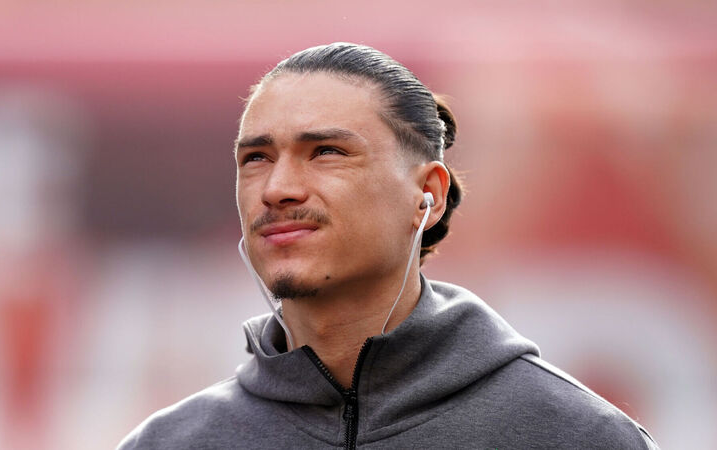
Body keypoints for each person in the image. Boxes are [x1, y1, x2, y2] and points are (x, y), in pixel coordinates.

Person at [118, 42, 658, 449]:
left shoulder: (577, 436)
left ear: (429, 195)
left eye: (326, 152)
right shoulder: (168, 443)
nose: (278, 188)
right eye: (256, 158)